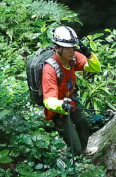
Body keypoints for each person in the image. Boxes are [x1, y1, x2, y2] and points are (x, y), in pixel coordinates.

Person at [43, 26, 101, 155]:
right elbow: (48, 100)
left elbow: (94, 68)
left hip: (71, 101)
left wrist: (89, 55)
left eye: (73, 47)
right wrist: (62, 105)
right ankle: (76, 154)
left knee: (84, 121)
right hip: (59, 110)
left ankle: (83, 150)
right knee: (74, 146)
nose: (72, 51)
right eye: (68, 48)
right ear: (57, 48)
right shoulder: (49, 69)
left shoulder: (73, 59)